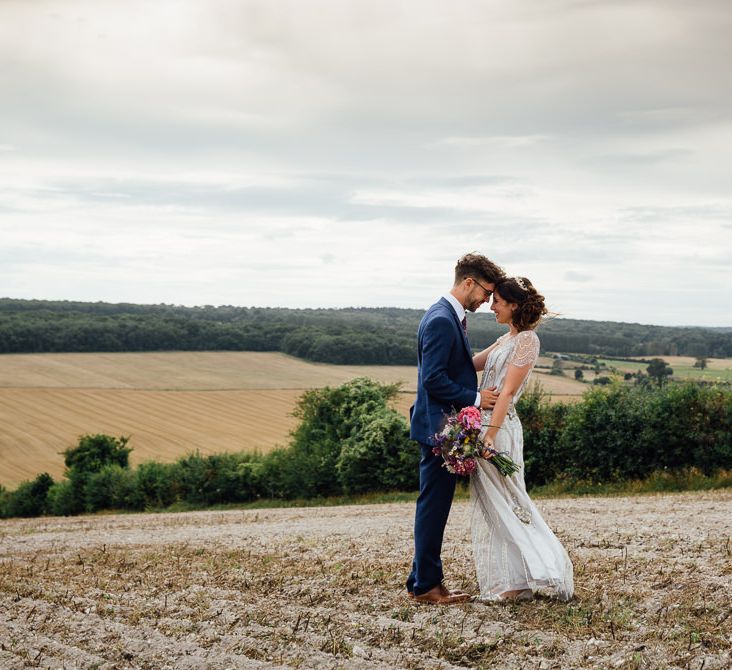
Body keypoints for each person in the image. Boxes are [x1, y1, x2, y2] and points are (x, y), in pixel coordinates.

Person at [406, 253, 505, 605]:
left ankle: (420, 580)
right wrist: (478, 399)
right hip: (439, 429)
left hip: (439, 426)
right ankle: (428, 587)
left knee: (433, 505)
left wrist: (500, 346)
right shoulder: (441, 320)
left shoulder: (449, 316)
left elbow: (455, 366)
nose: (487, 300)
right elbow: (433, 380)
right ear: (468, 282)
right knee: (433, 507)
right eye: (485, 291)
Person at [470, 277, 574, 601]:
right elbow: (471, 364)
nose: (491, 306)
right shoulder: (505, 339)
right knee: (495, 506)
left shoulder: (527, 340)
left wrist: (489, 435)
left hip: (499, 431)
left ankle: (543, 571)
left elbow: (508, 392)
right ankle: (519, 579)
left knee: (512, 502)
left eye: (497, 301)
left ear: (514, 305)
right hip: (483, 428)